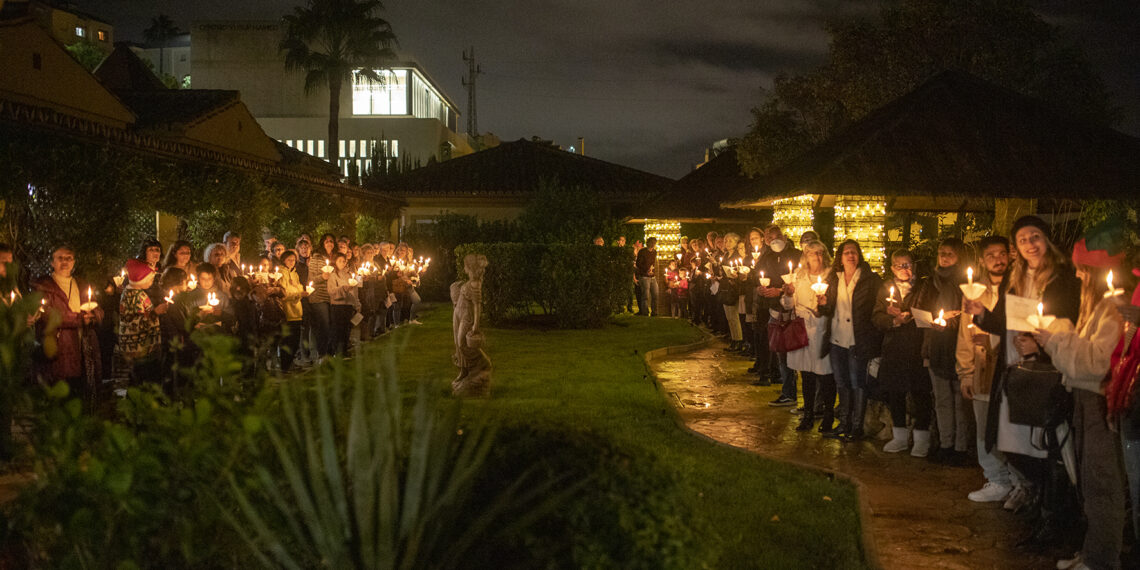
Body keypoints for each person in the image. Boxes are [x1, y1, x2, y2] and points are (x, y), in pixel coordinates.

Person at [964, 215, 1081, 550]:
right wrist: (981, 312)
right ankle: (1044, 504)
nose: (1030, 244)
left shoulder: (1063, 279)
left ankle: (1054, 518)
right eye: (1023, 240)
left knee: (1045, 447)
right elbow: (1003, 321)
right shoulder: (1017, 279)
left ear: (1046, 240)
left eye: (1035, 237)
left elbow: (1069, 322)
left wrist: (1041, 345)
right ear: (1017, 249)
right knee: (1010, 444)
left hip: (1047, 374)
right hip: (1015, 371)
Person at [1033, 227, 1126, 570]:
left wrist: (1057, 338)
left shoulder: (1114, 310)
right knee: (1088, 480)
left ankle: (1102, 560)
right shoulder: (1099, 307)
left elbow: (1096, 363)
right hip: (1087, 402)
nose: (1077, 275)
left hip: (1100, 404)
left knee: (1102, 483)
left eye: (1083, 269)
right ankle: (1093, 552)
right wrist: (1061, 334)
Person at [957, 236, 1018, 503]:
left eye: (1002, 254)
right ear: (982, 260)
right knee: (984, 427)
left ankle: (1018, 482)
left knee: (1012, 427)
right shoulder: (975, 293)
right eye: (991, 255)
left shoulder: (1017, 289)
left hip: (1011, 368)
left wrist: (993, 339)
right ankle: (996, 479)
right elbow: (964, 335)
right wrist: (965, 372)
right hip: (982, 370)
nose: (998, 260)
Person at [818, 239, 882, 440]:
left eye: (854, 252)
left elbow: (875, 309)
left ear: (859, 255)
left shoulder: (869, 280)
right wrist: (822, 303)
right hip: (837, 339)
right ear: (840, 257)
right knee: (842, 382)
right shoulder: (834, 279)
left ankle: (856, 427)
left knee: (857, 383)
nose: (850, 256)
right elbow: (828, 309)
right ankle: (843, 422)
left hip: (858, 339)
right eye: (846, 252)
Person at [873, 249, 935, 456]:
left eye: (907, 265)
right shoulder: (885, 289)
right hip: (894, 348)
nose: (904, 269)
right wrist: (893, 321)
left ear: (914, 266)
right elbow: (876, 317)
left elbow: (934, 312)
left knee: (920, 394)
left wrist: (917, 316)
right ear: (892, 268)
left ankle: (921, 439)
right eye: (899, 266)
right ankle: (899, 436)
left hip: (918, 347)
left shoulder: (925, 288)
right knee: (896, 393)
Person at [34, 246, 102, 409]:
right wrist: (79, 319)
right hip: (59, 346)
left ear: (74, 262)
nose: (65, 262)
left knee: (80, 395)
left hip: (83, 347)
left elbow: (96, 308)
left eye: (69, 258)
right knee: (60, 396)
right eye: (60, 258)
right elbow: (49, 315)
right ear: (52, 262)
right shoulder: (44, 286)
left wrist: (94, 316)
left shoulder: (81, 284)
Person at [923, 237, 971, 463]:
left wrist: (953, 319)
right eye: (941, 253)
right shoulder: (930, 282)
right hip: (937, 345)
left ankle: (961, 448)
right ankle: (945, 444)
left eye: (950, 253)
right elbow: (922, 308)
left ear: (959, 256)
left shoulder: (966, 283)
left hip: (958, 345)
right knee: (942, 399)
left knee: (960, 401)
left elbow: (972, 313)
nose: (944, 257)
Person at [781, 240, 836, 432]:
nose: (817, 257)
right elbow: (788, 305)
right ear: (806, 256)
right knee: (807, 376)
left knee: (826, 376)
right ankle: (808, 415)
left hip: (823, 330)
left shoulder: (832, 276)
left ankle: (828, 415)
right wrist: (788, 294)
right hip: (803, 329)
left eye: (820, 253)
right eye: (813, 253)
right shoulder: (798, 277)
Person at [758, 225, 803, 403]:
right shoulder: (766, 256)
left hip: (794, 309)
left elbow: (799, 280)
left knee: (798, 352)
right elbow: (759, 275)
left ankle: (806, 397)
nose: (771, 239)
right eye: (768, 237)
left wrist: (780, 291)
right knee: (780, 351)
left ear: (783, 237)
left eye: (775, 236)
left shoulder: (797, 255)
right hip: (775, 309)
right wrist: (761, 288)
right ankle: (788, 391)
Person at [116, 258, 167, 385]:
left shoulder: (136, 292)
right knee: (141, 376)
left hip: (142, 346)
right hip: (138, 346)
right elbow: (134, 321)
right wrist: (156, 312)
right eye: (149, 279)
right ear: (140, 279)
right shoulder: (133, 296)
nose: (151, 282)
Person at [308, 233, 337, 358]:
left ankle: (330, 351)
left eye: (331, 241)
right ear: (322, 244)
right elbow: (311, 278)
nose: (329, 243)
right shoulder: (316, 258)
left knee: (332, 324)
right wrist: (322, 277)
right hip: (319, 296)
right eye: (326, 241)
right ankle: (322, 353)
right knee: (324, 324)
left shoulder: (335, 258)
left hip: (332, 295)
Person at [327, 251, 361, 355]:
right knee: (338, 329)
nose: (343, 263)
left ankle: (344, 350)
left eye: (344, 261)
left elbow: (354, 291)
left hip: (348, 305)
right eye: (340, 261)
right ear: (335, 262)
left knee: (347, 329)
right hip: (338, 306)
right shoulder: (333, 276)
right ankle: (336, 351)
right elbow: (331, 291)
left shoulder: (348, 275)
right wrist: (343, 289)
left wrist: (356, 303)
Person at [636, 237, 659, 316]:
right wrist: (646, 270)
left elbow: (654, 263)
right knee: (645, 295)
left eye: (654, 243)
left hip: (652, 276)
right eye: (651, 242)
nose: (653, 244)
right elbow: (638, 264)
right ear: (648, 242)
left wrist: (653, 270)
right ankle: (645, 312)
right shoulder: (642, 252)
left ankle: (654, 312)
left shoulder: (654, 252)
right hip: (644, 276)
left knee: (655, 294)